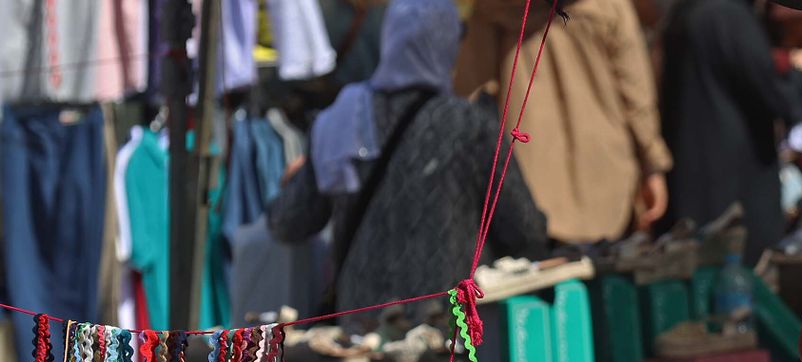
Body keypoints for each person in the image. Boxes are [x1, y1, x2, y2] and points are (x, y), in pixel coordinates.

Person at [267, 0, 548, 332]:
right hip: (448, 335)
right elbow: (527, 233)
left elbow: (288, 223)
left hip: (360, 338)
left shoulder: (342, 117)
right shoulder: (472, 127)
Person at [453, 0, 673, 245]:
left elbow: (470, 95)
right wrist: (652, 163)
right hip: (606, 178)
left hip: (528, 179)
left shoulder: (491, 10)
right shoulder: (610, 5)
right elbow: (636, 94)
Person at [660, 0, 802, 262]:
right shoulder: (730, 16)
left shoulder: (686, 12)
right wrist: (799, 75)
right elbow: (776, 97)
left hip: (692, 171)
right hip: (734, 181)